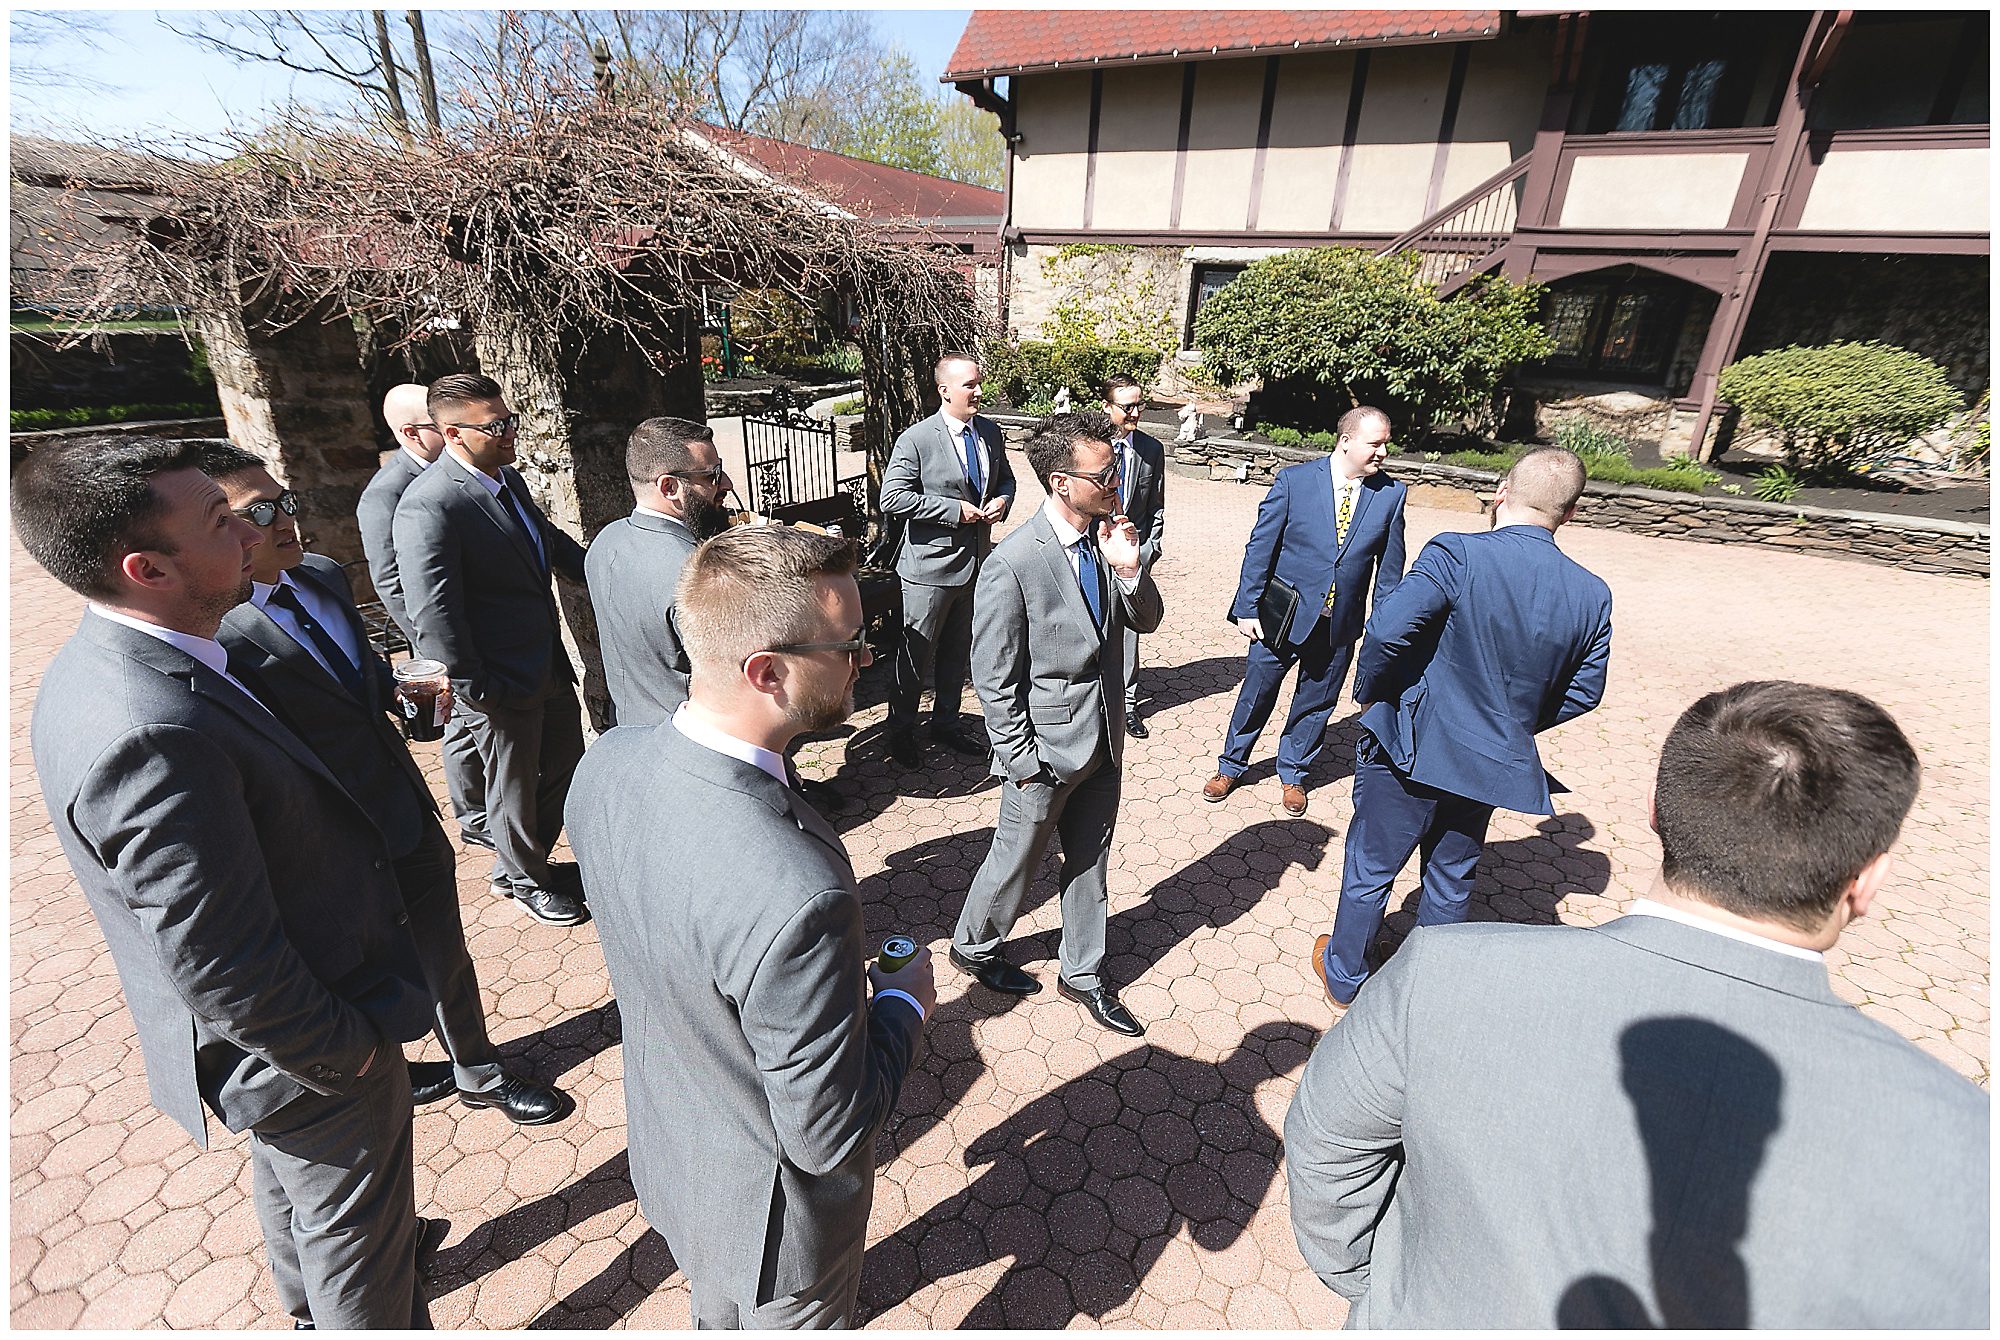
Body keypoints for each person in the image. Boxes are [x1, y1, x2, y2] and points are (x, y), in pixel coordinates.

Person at [1285, 681, 1990, 1328]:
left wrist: (1389, 1288)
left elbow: (1325, 1145)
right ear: (1868, 880)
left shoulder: (1442, 974)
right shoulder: (1963, 1145)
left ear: (1655, 813)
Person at [17, 434, 436, 1328]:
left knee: (301, 1200)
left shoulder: (122, 662)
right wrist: (349, 1057)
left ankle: (301, 1305)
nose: (252, 536)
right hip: (303, 1049)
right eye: (220, 522)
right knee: (361, 1252)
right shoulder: (149, 730)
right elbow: (221, 961)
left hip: (276, 1049)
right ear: (148, 569)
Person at [567, 526, 931, 1328]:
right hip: (779, 1231)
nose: (865, 660)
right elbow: (828, 1131)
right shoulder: (796, 890)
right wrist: (903, 1006)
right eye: (848, 646)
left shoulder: (607, 764)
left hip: (676, 1152)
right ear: (767, 672)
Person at [200, 442, 569, 1128]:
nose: (287, 519)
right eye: (261, 511)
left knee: (446, 958)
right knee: (360, 974)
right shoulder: (215, 635)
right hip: (322, 847)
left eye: (288, 501)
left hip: (401, 811)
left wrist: (401, 697)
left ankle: (479, 1071)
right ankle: (388, 1072)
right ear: (217, 526)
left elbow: (358, 683)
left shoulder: (321, 576)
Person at [1313, 446, 1612, 1008]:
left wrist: (1379, 694)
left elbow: (1383, 635)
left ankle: (1346, 975)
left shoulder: (1457, 552)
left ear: (1501, 492)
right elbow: (1584, 693)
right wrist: (1511, 724)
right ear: (1569, 513)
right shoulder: (1592, 593)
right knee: (1451, 881)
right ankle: (1427, 991)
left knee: (1371, 868)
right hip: (1488, 763)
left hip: (1412, 745)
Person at [949, 412, 1165, 1037]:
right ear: (1061, 482)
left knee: (1091, 859)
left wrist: (1130, 570)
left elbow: (1144, 623)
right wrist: (1019, 758)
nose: (1118, 480)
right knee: (1016, 859)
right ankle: (974, 944)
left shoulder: (1108, 540)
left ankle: (1084, 972)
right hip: (1043, 751)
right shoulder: (1014, 562)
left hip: (1104, 740)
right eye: (1105, 473)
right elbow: (992, 675)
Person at [393, 372, 590, 927]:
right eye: (496, 426)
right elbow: (433, 613)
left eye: (510, 420)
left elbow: (548, 545)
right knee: (514, 786)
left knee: (561, 766)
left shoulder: (508, 480)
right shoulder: (429, 506)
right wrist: (477, 687)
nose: (510, 434)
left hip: (544, 664)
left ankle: (520, 863)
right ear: (453, 434)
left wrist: (610, 566)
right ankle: (525, 879)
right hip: (497, 682)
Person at [1206, 406, 1407, 816]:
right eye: (1376, 443)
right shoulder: (1294, 482)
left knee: (1317, 701)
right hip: (1281, 617)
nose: (1384, 451)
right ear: (1346, 441)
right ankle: (1232, 764)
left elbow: (1389, 570)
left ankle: (1294, 771)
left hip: (1339, 624)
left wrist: (1381, 628)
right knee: (1258, 692)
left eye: (1386, 443)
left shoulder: (1391, 494)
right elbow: (1261, 548)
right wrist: (1248, 608)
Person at [357, 382, 490, 853]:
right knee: (458, 728)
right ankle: (474, 816)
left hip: (471, 628)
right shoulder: (385, 494)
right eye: (441, 425)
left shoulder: (455, 473)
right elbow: (389, 580)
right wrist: (433, 648)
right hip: (436, 637)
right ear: (413, 433)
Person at [879, 352, 1017, 767]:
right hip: (928, 570)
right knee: (915, 656)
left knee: (959, 651)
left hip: (976, 565)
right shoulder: (917, 439)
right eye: (969, 385)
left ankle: (947, 723)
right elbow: (893, 497)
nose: (978, 391)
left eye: (978, 383)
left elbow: (1006, 478)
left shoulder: (990, 433)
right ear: (944, 391)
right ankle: (900, 731)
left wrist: (1003, 500)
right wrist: (954, 511)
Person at [584, 416, 734, 727]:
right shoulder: (697, 571)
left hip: (628, 729)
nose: (727, 485)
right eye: (713, 476)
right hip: (691, 742)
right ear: (670, 487)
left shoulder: (604, 543)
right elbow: (734, 679)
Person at [1101, 373, 1167, 738]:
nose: (1135, 413)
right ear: (1107, 407)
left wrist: (1149, 549)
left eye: (1139, 405)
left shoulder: (1151, 450)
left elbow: (1156, 506)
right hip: (1093, 549)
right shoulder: (1090, 446)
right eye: (1127, 407)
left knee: (1128, 630)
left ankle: (1126, 705)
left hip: (1133, 554)